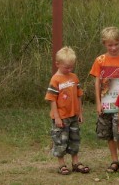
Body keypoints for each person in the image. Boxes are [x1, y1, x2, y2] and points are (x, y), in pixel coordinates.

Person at [89, 26, 119, 174]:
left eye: (116, 44)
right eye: (110, 45)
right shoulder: (99, 60)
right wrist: (98, 103)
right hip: (106, 104)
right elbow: (97, 83)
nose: (113, 48)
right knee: (108, 134)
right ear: (104, 44)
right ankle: (114, 160)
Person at [44, 46, 90, 175]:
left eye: (71, 67)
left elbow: (79, 95)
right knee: (61, 140)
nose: (69, 69)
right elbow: (52, 99)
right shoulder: (55, 79)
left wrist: (80, 112)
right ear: (57, 64)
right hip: (61, 117)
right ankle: (62, 164)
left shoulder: (74, 78)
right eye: (66, 67)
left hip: (73, 115)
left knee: (74, 139)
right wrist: (57, 117)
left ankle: (75, 163)